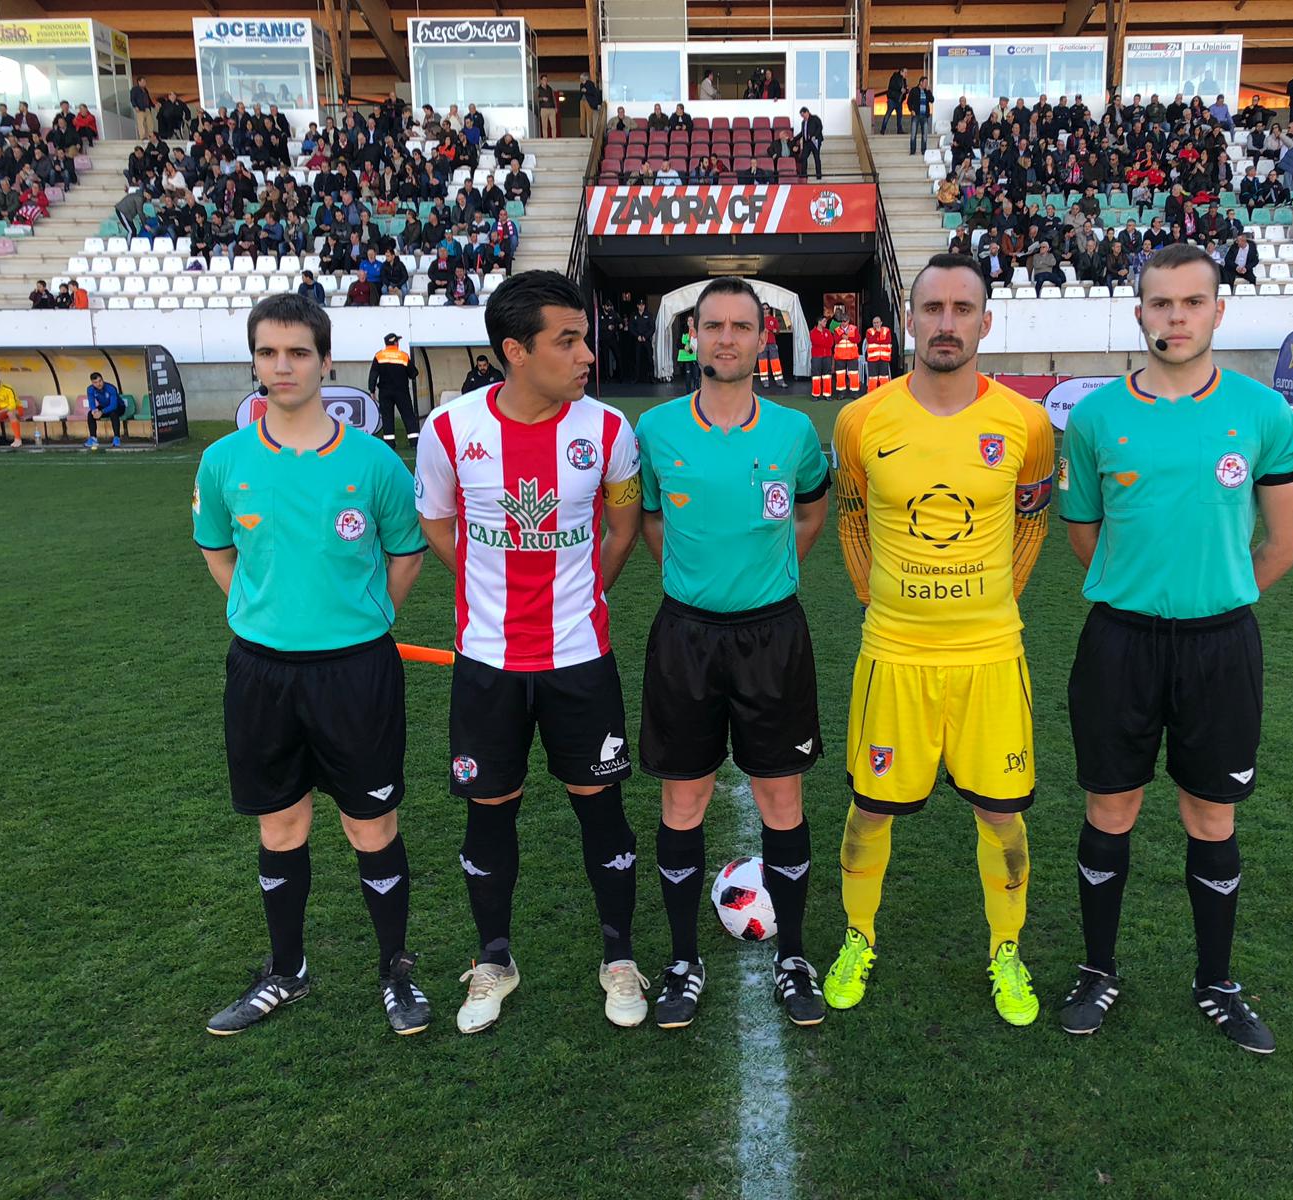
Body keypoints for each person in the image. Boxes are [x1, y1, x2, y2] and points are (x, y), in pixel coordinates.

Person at [1056, 243, 1293, 1055]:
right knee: (1111, 809)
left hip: (1220, 647)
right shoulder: (1096, 418)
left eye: (1192, 302)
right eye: (1161, 303)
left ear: (1217, 311)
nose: (1176, 317)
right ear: (1140, 313)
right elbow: (1085, 536)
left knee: (1211, 813)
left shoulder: (1262, 412)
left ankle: (1216, 981)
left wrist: (1219, 594)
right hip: (1120, 644)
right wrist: (1142, 589)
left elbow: (1287, 540)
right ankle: (1098, 969)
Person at [826, 252, 1056, 1026]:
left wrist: (993, 599)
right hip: (894, 655)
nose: (946, 323)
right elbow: (853, 520)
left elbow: (1032, 522)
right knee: (870, 810)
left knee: (1002, 815)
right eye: (932, 308)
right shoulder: (862, 420)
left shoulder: (1025, 423)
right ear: (909, 319)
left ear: (985, 322)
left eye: (962, 310)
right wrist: (882, 600)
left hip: (990, 657)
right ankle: (858, 937)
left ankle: (1006, 951)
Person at [413, 271, 646, 1033]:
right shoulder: (449, 430)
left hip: (581, 659)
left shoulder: (608, 431)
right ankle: (494, 961)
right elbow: (437, 523)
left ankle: (619, 959)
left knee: (600, 807)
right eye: (567, 341)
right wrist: (487, 588)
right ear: (516, 351)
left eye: (585, 338)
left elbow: (620, 531)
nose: (587, 355)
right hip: (487, 663)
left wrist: (580, 597)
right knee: (489, 810)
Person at [195, 294, 429, 1037]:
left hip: (356, 671)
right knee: (281, 824)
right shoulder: (223, 461)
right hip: (262, 672)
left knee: (371, 824)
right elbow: (219, 554)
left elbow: (406, 555)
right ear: (254, 362)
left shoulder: (373, 461)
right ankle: (286, 971)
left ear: (327, 362)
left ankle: (395, 971)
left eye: (298, 352)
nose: (282, 366)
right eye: (268, 352)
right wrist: (267, 613)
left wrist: (358, 620)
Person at [635, 277, 832, 1029]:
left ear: (762, 337)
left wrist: (766, 575)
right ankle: (683, 960)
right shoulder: (655, 429)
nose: (725, 338)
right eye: (711, 325)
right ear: (693, 336)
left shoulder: (794, 432)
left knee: (781, 798)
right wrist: (699, 582)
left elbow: (810, 510)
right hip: (685, 637)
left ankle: (794, 956)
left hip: (773, 636)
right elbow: (653, 522)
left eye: (740, 326)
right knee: (683, 799)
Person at [369, 333, 420, 445]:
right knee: (408, 416)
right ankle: (415, 442)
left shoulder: (379, 356)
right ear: (395, 343)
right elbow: (413, 373)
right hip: (402, 392)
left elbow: (373, 374)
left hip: (385, 392)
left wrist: (372, 390)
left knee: (387, 417)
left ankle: (390, 443)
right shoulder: (403, 356)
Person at [85, 372, 124, 449]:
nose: (98, 384)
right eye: (95, 382)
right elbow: (91, 402)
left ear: (103, 380)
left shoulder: (111, 388)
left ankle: (116, 438)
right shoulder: (90, 389)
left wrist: (102, 412)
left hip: (119, 407)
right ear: (92, 383)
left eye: (100, 381)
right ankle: (93, 439)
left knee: (113, 413)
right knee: (90, 414)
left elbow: (113, 405)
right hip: (104, 407)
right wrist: (94, 410)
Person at [757, 305, 786, 388]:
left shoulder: (773, 319)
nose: (765, 310)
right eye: (763, 309)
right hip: (762, 343)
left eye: (767, 308)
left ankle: (780, 381)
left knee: (775, 362)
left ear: (769, 309)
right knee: (762, 362)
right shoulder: (758, 319)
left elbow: (777, 330)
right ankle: (765, 382)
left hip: (772, 343)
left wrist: (774, 330)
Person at [808, 315, 835, 399]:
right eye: (824, 321)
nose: (826, 323)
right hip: (817, 356)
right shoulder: (813, 332)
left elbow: (831, 343)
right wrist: (825, 343)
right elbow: (816, 342)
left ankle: (827, 394)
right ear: (819, 322)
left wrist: (824, 343)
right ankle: (816, 394)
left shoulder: (828, 332)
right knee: (816, 376)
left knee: (827, 375)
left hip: (827, 356)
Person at [908, 75, 935, 156]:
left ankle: (924, 151)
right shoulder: (914, 90)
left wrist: (929, 91)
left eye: (927, 83)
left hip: (925, 116)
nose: (926, 84)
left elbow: (932, 100)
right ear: (920, 82)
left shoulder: (927, 92)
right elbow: (909, 101)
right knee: (913, 133)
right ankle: (912, 151)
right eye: (925, 82)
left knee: (925, 134)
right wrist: (911, 110)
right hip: (916, 115)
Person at [832, 321, 862, 396]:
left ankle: (854, 392)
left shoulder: (854, 328)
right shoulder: (837, 329)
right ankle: (841, 392)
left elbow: (858, 339)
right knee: (840, 374)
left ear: (848, 321)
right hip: (840, 355)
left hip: (852, 355)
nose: (843, 323)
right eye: (842, 321)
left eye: (845, 321)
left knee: (853, 374)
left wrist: (848, 337)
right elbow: (836, 340)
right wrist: (843, 334)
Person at [864, 315, 893, 389]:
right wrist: (877, 333)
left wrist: (877, 340)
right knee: (872, 379)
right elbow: (870, 340)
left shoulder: (886, 330)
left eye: (877, 322)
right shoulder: (869, 331)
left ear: (881, 323)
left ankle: (884, 393)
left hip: (884, 358)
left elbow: (888, 340)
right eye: (874, 323)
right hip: (872, 359)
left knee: (884, 378)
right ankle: (872, 394)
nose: (876, 324)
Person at [795, 108, 824, 181]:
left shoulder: (815, 118)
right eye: (801, 115)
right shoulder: (803, 122)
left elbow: (820, 127)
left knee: (816, 158)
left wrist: (815, 136)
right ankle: (804, 175)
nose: (802, 117)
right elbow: (802, 133)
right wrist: (794, 138)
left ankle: (819, 175)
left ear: (807, 112)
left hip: (815, 141)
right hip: (807, 142)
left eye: (803, 115)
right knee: (804, 157)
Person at [882, 68, 908, 135]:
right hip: (892, 100)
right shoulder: (895, 77)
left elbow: (904, 89)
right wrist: (900, 89)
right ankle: (883, 129)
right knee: (888, 114)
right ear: (901, 72)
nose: (906, 74)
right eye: (905, 72)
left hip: (899, 101)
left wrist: (906, 91)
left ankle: (899, 130)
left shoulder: (904, 80)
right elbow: (892, 86)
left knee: (899, 116)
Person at [676, 314, 698, 392]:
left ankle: (696, 393)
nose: (690, 322)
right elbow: (678, 344)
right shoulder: (682, 331)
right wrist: (684, 346)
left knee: (696, 376)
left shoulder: (697, 331)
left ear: (694, 321)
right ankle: (688, 393)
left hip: (694, 357)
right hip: (685, 358)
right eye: (688, 321)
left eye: (691, 320)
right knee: (688, 377)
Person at [579, 73, 603, 141]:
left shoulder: (590, 83)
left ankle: (591, 133)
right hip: (582, 101)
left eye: (582, 77)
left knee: (589, 117)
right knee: (582, 117)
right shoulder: (581, 84)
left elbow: (594, 92)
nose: (581, 79)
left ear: (585, 77)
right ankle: (583, 133)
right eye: (580, 78)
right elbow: (581, 92)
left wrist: (586, 91)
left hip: (588, 101)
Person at [536, 74, 559, 139]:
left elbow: (553, 98)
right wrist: (542, 98)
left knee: (553, 125)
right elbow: (535, 99)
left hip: (551, 109)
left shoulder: (550, 88)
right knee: (544, 126)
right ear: (541, 81)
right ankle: (545, 140)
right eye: (544, 80)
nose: (545, 81)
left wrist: (556, 107)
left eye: (546, 80)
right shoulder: (538, 89)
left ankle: (554, 138)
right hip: (543, 109)